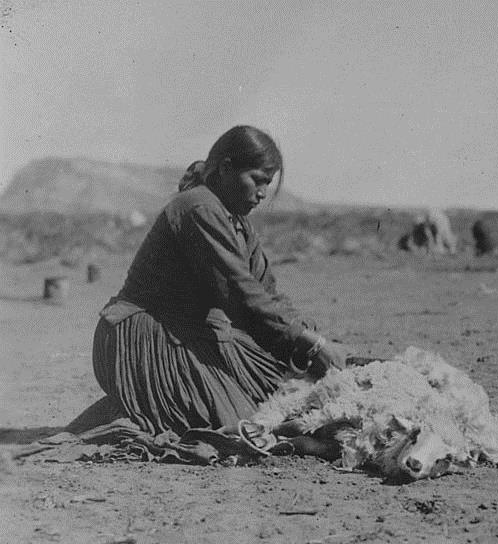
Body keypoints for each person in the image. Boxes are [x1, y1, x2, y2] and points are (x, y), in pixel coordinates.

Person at [91, 125, 347, 437]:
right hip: (143, 336)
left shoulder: (237, 222)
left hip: (190, 332)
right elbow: (243, 294)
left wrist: (307, 341)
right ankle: (146, 401)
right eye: (258, 180)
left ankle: (158, 402)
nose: (263, 193)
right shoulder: (197, 207)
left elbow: (266, 294)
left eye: (269, 184)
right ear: (226, 169)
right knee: (245, 425)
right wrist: (311, 343)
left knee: (281, 391)